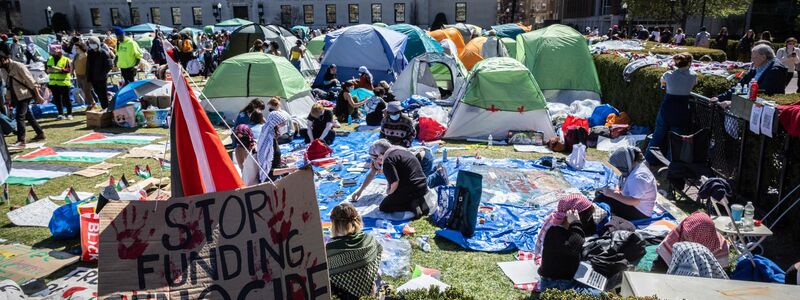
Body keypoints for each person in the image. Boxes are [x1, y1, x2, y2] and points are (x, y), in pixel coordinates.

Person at [534, 193, 600, 296]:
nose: (588, 220)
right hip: (555, 285)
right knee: (599, 293)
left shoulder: (565, 229)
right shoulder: (554, 233)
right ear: (572, 217)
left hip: (563, 279)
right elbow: (574, 247)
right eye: (586, 217)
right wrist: (576, 223)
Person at [352, 139, 431, 218]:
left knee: (384, 206)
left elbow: (394, 183)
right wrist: (360, 191)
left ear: (380, 155)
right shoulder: (401, 150)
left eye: (375, 158)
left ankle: (411, 205)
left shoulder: (388, 160)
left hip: (411, 188)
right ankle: (419, 200)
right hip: (423, 186)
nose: (375, 161)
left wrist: (389, 193)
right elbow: (372, 173)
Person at [645, 52, 697, 163]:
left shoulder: (668, 74)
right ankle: (672, 165)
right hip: (681, 109)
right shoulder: (693, 75)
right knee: (676, 139)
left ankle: (649, 159)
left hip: (667, 107)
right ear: (689, 63)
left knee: (658, 135)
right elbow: (692, 83)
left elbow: (662, 83)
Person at [326, 203, 382, 300]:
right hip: (372, 288)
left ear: (334, 223)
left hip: (349, 296)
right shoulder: (369, 239)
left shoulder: (331, 249)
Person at [712, 44, 788, 105]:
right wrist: (720, 98)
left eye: (754, 58)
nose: (752, 61)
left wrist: (734, 103)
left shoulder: (776, 70)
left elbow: (763, 93)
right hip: (751, 104)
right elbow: (740, 85)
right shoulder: (757, 66)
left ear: (764, 57)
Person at [596, 147, 657, 221]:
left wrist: (612, 194)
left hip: (640, 212)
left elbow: (635, 201)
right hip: (633, 204)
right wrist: (617, 189)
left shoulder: (639, 177)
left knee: (602, 199)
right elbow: (621, 180)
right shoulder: (635, 167)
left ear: (625, 161)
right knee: (602, 194)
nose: (619, 168)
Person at [0, 52, 46, 148]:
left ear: (5, 59)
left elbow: (31, 81)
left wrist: (38, 96)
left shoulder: (18, 66)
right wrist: (8, 98)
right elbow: (7, 85)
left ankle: (21, 140)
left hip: (25, 94)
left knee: (20, 116)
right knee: (28, 115)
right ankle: (40, 133)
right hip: (15, 95)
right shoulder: (3, 69)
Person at [656, 212, 730, 267]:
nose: (684, 238)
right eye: (685, 232)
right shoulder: (679, 233)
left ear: (701, 239)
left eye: (688, 236)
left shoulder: (719, 248)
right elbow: (661, 262)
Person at [256, 111, 290, 183]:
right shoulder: (269, 143)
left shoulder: (272, 137)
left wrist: (281, 160)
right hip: (271, 182)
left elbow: (273, 159)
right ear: (275, 125)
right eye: (282, 124)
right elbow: (267, 173)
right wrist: (288, 170)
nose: (285, 125)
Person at [46, 44, 73, 120]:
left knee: (67, 99)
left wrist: (57, 69)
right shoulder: (50, 59)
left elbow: (67, 70)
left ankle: (69, 114)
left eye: (53, 51)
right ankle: (60, 113)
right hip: (53, 83)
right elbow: (47, 69)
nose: (51, 52)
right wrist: (48, 70)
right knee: (57, 99)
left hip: (64, 83)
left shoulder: (66, 59)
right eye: (51, 51)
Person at [86, 36, 112, 110]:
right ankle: (104, 107)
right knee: (98, 93)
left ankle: (106, 108)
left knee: (103, 93)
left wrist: (102, 74)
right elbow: (88, 65)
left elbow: (109, 65)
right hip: (93, 77)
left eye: (93, 43)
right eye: (90, 43)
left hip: (102, 77)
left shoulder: (104, 53)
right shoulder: (90, 53)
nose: (91, 44)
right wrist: (89, 76)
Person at [72, 42, 93, 109]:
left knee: (87, 91)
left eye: (77, 48)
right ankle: (92, 103)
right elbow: (73, 63)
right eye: (75, 48)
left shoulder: (87, 56)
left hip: (86, 76)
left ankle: (91, 104)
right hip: (78, 75)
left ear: (81, 48)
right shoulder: (76, 56)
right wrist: (72, 71)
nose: (76, 50)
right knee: (84, 91)